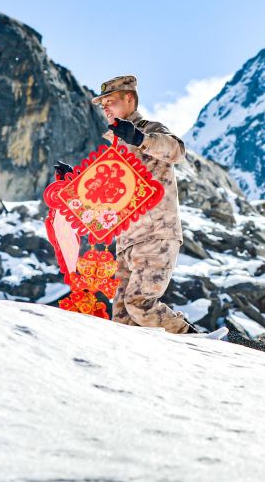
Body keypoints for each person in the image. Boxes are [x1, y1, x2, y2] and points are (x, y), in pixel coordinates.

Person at [77, 75, 203, 335]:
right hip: (127, 242)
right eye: (103, 104)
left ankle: (192, 338)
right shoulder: (115, 143)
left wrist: (139, 138)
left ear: (129, 99)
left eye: (110, 101)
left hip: (156, 234)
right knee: (123, 321)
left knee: (139, 305)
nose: (105, 108)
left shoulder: (149, 130)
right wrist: (72, 184)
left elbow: (177, 151)